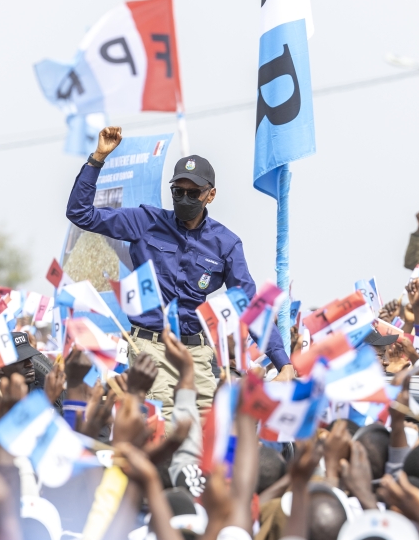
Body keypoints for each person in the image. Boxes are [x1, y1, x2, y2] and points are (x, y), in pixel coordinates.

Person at [65, 126, 293, 414]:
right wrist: (98, 158)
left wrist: (282, 362)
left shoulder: (226, 243)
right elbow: (80, 213)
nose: (184, 198)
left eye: (193, 192)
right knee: (167, 424)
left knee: (208, 428)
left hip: (197, 353)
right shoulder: (145, 221)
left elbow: (250, 305)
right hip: (150, 349)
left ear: (210, 195)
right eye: (178, 191)